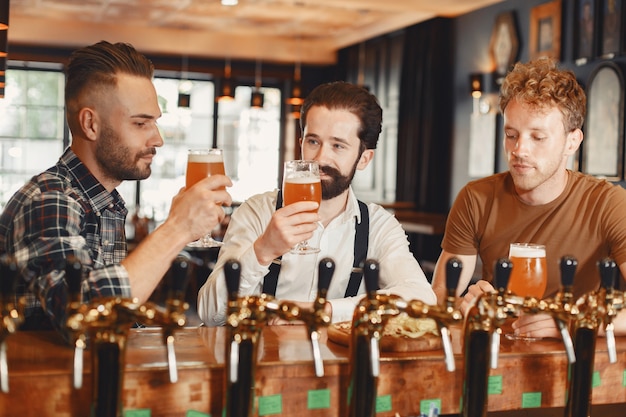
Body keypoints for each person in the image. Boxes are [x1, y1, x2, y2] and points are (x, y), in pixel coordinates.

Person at [0, 41, 232, 334]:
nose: (158, 139)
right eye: (140, 123)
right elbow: (83, 320)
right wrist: (177, 228)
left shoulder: (105, 202)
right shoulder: (51, 199)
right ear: (90, 124)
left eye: (155, 123)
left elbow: (120, 315)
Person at [197, 81, 436, 326]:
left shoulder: (378, 225)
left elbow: (422, 299)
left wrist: (324, 310)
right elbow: (210, 315)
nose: (321, 158)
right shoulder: (257, 212)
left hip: (339, 362)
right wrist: (263, 250)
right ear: (301, 142)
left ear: (364, 158)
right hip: (260, 359)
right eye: (313, 142)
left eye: (338, 146)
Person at [431, 57, 626, 338]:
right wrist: (462, 307)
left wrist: (571, 322)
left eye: (538, 137)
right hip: (497, 355)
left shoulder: (608, 203)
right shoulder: (476, 198)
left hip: (573, 361)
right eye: (511, 134)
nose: (519, 150)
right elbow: (439, 295)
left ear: (572, 141)